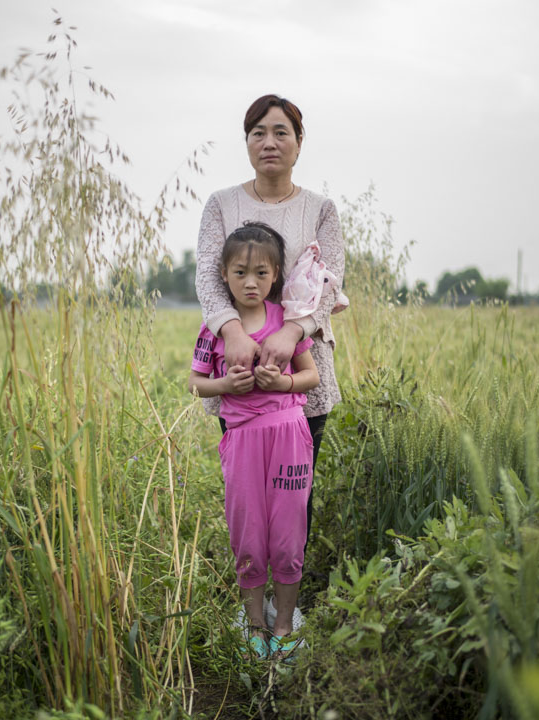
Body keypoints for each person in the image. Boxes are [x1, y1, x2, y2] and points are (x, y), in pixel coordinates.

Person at [195, 94, 346, 613]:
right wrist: (233, 334)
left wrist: (292, 333)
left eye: (281, 132)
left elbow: (330, 284)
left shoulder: (321, 210)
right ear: (247, 143)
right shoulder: (221, 205)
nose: (269, 142)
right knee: (248, 503)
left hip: (302, 371)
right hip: (238, 373)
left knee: (292, 500)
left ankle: (288, 611)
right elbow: (208, 279)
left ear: (299, 144)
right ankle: (252, 610)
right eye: (258, 132)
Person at [188, 222, 319, 659]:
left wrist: (281, 385)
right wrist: (228, 386)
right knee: (248, 535)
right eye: (240, 273)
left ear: (276, 276)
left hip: (289, 434)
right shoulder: (215, 330)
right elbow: (195, 383)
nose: (251, 282)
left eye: (261, 273)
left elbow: (310, 376)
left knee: (287, 533)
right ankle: (254, 625)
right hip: (242, 439)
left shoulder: (287, 323)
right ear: (223, 275)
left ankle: (284, 623)